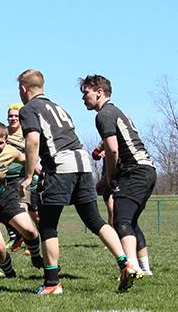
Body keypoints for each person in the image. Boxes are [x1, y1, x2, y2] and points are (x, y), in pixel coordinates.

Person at [17, 69, 137, 295]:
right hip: (82, 163)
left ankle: (52, 283)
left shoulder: (29, 109)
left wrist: (28, 175)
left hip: (60, 166)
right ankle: (126, 263)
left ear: (24, 89)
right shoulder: (59, 107)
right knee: (95, 220)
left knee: (48, 225)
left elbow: (32, 141)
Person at [80, 74, 156, 277]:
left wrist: (109, 177)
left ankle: (131, 268)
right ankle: (144, 268)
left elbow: (112, 150)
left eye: (86, 92)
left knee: (121, 222)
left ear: (99, 92)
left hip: (135, 171)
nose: (83, 98)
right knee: (130, 221)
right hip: (146, 169)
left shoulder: (104, 114)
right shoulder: (116, 111)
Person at [0, 121, 44, 273]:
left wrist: (39, 175)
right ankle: (9, 273)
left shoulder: (11, 152)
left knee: (30, 231)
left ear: (6, 142)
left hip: (4, 197)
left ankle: (36, 257)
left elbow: (29, 160)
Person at [5, 103, 39, 253]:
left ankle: (38, 240)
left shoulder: (27, 133)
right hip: (6, 178)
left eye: (16, 116)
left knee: (30, 212)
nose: (13, 118)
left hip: (23, 178)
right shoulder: (3, 133)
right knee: (25, 211)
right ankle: (22, 238)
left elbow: (34, 154)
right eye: (10, 115)